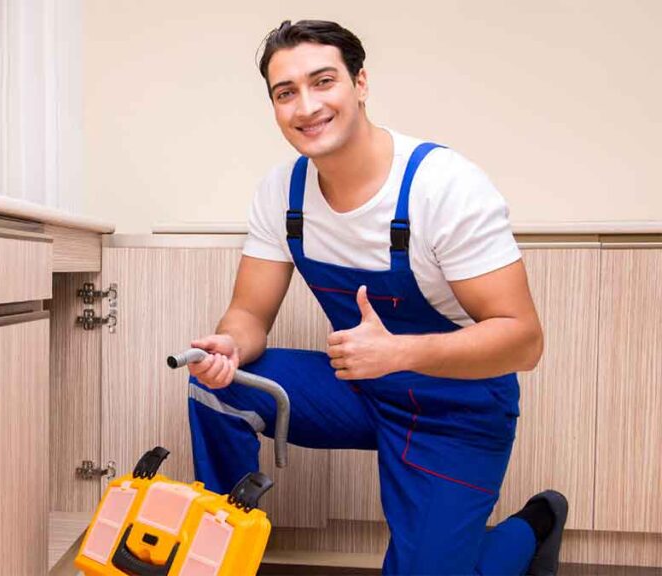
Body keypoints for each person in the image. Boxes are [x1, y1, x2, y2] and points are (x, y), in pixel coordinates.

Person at [186, 19, 568, 576]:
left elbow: (524, 341)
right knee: (213, 382)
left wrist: (400, 354)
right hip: (364, 390)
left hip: (458, 408)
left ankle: (532, 528)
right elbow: (248, 314)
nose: (306, 106)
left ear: (360, 83)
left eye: (323, 82)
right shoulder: (282, 192)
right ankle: (216, 559)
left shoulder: (443, 187)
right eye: (285, 92)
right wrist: (229, 344)